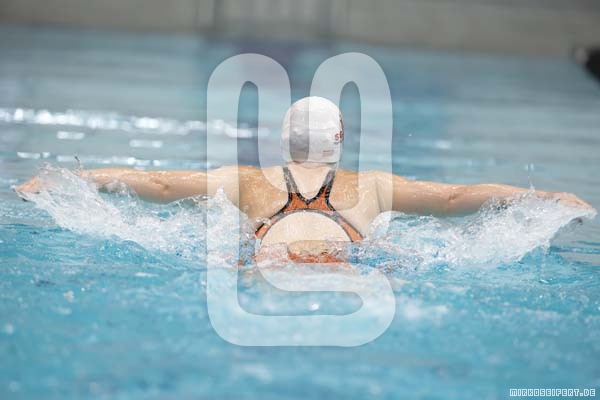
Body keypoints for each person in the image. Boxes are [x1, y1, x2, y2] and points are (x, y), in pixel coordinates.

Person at [15, 97, 594, 262]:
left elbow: (161, 186)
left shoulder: (247, 180)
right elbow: (456, 197)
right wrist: (545, 197)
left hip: (267, 252)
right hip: (347, 255)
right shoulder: (373, 185)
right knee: (391, 260)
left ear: (283, 141)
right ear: (340, 139)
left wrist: (69, 179)